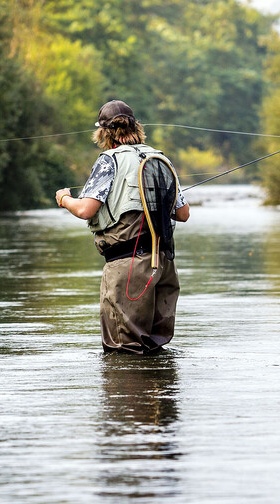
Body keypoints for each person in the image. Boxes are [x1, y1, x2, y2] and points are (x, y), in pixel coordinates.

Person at [55, 100, 191, 354]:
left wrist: (64, 198)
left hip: (128, 269)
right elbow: (183, 214)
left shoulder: (109, 160)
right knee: (154, 348)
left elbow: (85, 209)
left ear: (103, 132)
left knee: (124, 352)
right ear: (136, 127)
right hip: (163, 265)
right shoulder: (159, 157)